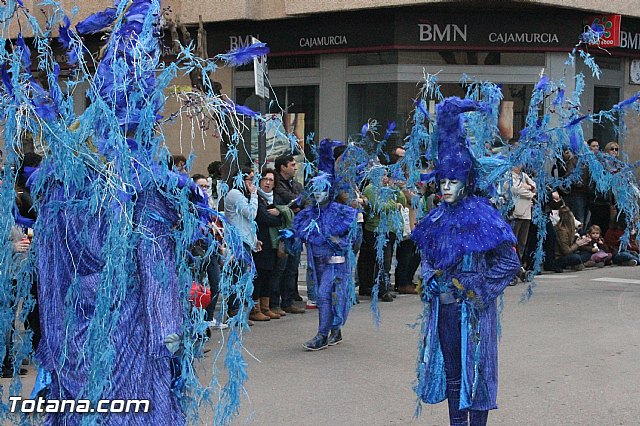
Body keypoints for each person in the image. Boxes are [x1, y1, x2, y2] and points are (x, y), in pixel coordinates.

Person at [413, 97, 520, 426]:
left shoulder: (483, 216)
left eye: (453, 182)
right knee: (453, 374)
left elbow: (508, 263)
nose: (446, 188)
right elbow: (428, 257)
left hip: (474, 311)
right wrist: (429, 277)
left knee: (478, 374)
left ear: (467, 182)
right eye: (442, 182)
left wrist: (476, 286)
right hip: (445, 310)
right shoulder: (436, 217)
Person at [295, 140, 358, 350]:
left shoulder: (342, 212)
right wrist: (291, 237)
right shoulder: (307, 215)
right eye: (315, 190)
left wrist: (338, 241)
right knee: (325, 296)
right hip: (317, 264)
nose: (318, 194)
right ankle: (334, 330)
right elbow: (300, 238)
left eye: (323, 190)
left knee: (325, 295)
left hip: (335, 263)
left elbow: (352, 237)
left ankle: (322, 335)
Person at [272, 155, 305, 314]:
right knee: (280, 268)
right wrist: (291, 208)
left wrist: (294, 206)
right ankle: (275, 302)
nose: (295, 167)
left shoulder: (295, 184)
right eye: (292, 165)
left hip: (296, 228)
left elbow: (303, 201)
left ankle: (288, 300)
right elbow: (290, 201)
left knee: (292, 267)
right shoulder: (277, 184)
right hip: (283, 230)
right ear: (282, 167)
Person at [251, 169, 284, 321]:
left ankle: (266, 306)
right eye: (264, 179)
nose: (268, 182)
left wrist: (279, 214)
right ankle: (255, 308)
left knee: (270, 274)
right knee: (260, 275)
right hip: (260, 241)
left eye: (271, 180)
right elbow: (264, 218)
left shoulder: (276, 198)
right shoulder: (256, 197)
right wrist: (277, 216)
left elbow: (284, 215)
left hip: (274, 243)